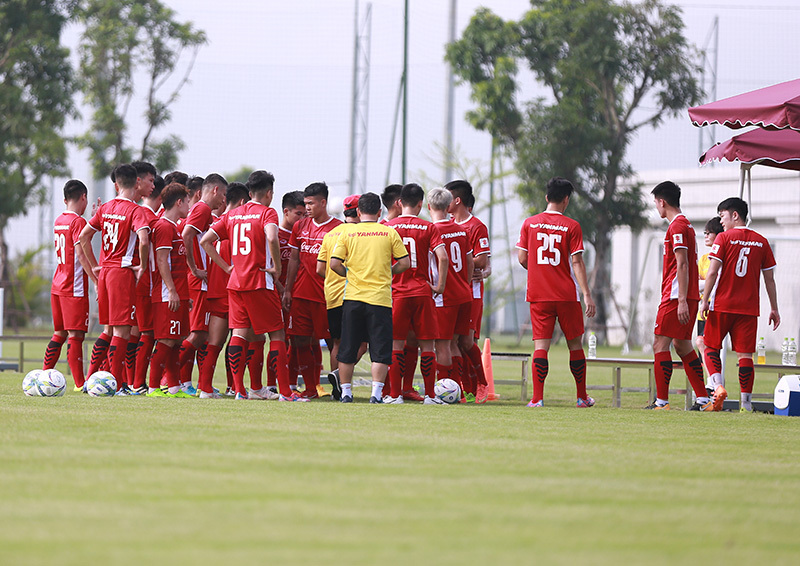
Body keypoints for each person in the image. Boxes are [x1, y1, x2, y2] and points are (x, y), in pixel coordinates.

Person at [201, 170, 304, 401]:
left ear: (249, 192)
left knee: (239, 335)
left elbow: (205, 241)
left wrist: (226, 267)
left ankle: (239, 390)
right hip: (259, 281)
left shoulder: (233, 214)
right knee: (277, 335)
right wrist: (277, 266)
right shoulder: (267, 213)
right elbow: (271, 237)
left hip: (235, 283)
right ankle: (286, 392)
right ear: (269, 193)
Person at [516, 177, 596, 408]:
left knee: (541, 347)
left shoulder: (529, 223)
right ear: (566, 200)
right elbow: (578, 262)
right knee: (575, 345)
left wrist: (541, 272)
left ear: (546, 197)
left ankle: (537, 399)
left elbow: (522, 258)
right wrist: (587, 294)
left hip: (538, 295)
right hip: (566, 295)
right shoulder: (572, 226)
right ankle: (581, 397)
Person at [329, 192, 410, 403]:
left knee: (347, 348)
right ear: (379, 211)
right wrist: (388, 271)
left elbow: (334, 263)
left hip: (353, 297)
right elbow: (405, 263)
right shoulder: (389, 233)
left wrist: (350, 274)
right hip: (380, 299)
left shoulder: (347, 234)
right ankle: (376, 394)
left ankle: (346, 393)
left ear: (358, 211)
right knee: (380, 349)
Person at [701, 197, 780, 412]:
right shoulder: (762, 241)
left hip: (722, 304)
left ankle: (718, 388)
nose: (721, 221)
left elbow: (713, 272)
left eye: (722, 216)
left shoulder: (724, 238)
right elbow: (769, 279)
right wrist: (774, 308)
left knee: (709, 346)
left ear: (735, 215)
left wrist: (704, 300)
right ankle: (746, 403)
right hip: (748, 308)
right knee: (745, 356)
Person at [648, 181, 719, 411]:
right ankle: (703, 400)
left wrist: (680, 301)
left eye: (656, 203)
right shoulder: (686, 225)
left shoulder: (676, 227)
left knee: (660, 343)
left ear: (662, 202)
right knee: (682, 345)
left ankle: (661, 402)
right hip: (686, 296)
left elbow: (683, 265)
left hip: (675, 296)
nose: (657, 208)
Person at [79, 163, 150, 393]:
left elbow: (83, 237)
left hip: (106, 272)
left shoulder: (105, 208)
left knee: (108, 329)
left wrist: (96, 266)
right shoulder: (136, 210)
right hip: (121, 273)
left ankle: (92, 379)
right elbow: (144, 239)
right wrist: (141, 267)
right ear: (136, 182)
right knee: (122, 332)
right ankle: (118, 384)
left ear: (116, 184)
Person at [385, 183, 448, 403]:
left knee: (396, 345)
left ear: (399, 203)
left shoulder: (388, 227)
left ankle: (395, 395)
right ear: (421, 204)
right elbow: (443, 257)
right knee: (427, 346)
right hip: (422, 292)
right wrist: (439, 286)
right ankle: (430, 395)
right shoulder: (430, 227)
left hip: (397, 293)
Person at [282, 182, 342, 399]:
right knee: (299, 341)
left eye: (311, 203)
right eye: (305, 203)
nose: (307, 207)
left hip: (327, 296)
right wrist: (288, 290)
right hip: (300, 294)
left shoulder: (338, 228)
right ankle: (309, 389)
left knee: (333, 342)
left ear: (323, 202)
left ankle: (340, 388)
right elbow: (294, 260)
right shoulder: (300, 227)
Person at [196, 182, 250, 398]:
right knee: (247, 339)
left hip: (216, 289)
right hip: (235, 289)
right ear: (243, 203)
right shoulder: (236, 225)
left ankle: (206, 387)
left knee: (215, 343)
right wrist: (228, 268)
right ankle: (240, 388)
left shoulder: (216, 224)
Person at [179, 173, 228, 395]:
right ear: (215, 190)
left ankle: (190, 383)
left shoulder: (204, 212)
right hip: (197, 281)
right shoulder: (202, 209)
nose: (223, 201)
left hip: (200, 281)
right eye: (223, 195)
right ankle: (166, 376)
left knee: (203, 334)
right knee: (198, 333)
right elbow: (187, 234)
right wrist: (193, 268)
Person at [44, 179, 94, 391]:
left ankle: (44, 375)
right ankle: (79, 384)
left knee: (60, 333)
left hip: (57, 284)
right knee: (76, 335)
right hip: (74, 287)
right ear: (83, 197)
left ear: (65, 199)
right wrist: (96, 278)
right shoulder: (78, 222)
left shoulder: (59, 220)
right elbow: (81, 254)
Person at [145, 183, 194, 398]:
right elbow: (162, 260)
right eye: (188, 201)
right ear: (179, 202)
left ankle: (174, 387)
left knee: (175, 342)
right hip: (167, 295)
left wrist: (184, 295)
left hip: (179, 294)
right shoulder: (164, 227)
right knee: (165, 342)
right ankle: (154, 387)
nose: (190, 206)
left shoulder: (174, 227)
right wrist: (172, 291)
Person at [446, 180, 492, 403]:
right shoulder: (446, 225)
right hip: (450, 292)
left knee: (466, 342)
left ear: (456, 200)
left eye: (447, 197)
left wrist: (458, 264)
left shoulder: (477, 227)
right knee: (451, 341)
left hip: (470, 293)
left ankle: (482, 384)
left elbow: (482, 260)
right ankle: (462, 389)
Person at [316, 194, 364, 400]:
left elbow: (320, 269)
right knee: (361, 343)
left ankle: (338, 387)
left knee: (336, 343)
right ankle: (340, 376)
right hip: (357, 294)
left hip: (333, 296)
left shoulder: (331, 234)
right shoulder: (364, 234)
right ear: (360, 212)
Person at [427, 187, 471, 402]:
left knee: (442, 344)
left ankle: (442, 390)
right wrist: (466, 283)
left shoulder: (431, 230)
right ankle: (458, 389)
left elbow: (438, 260)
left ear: (428, 207)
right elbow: (470, 261)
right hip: (464, 293)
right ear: (448, 206)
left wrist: (439, 286)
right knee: (454, 344)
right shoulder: (462, 230)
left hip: (444, 296)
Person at [131, 172, 164, 394]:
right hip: (145, 283)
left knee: (133, 333)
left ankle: (128, 380)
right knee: (147, 333)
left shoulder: (141, 213)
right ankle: (137, 383)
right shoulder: (148, 218)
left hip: (134, 281)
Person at [272, 190, 306, 394]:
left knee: (298, 339)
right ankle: (270, 384)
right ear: (286, 212)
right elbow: (269, 268)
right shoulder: (273, 234)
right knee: (278, 340)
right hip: (277, 295)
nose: (302, 219)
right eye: (298, 214)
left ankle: (292, 384)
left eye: (305, 215)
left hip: (295, 296)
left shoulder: (301, 234)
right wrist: (282, 290)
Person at [696, 217, 724, 364]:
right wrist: (708, 283)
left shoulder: (724, 258)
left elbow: (718, 283)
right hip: (703, 308)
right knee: (700, 346)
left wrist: (706, 283)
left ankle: (713, 383)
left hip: (717, 308)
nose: (705, 235)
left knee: (707, 345)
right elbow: (696, 284)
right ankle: (705, 385)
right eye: (704, 232)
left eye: (709, 232)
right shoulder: (703, 259)